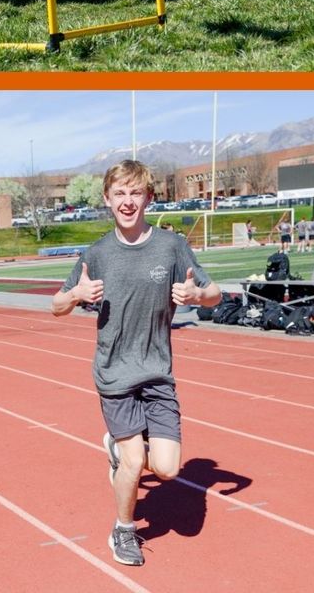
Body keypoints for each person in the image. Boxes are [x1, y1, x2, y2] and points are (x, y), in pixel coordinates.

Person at [52, 159, 220, 568]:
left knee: (164, 469)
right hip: (114, 373)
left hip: (158, 373)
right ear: (108, 200)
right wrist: (76, 295)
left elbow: (214, 293)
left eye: (135, 193)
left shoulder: (171, 246)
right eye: (119, 194)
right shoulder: (96, 254)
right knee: (133, 461)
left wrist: (198, 297)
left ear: (148, 197)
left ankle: (116, 446)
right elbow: (56, 305)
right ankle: (124, 530)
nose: (128, 202)